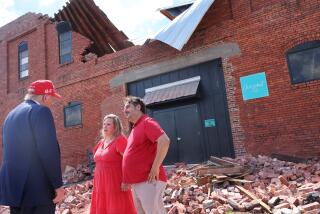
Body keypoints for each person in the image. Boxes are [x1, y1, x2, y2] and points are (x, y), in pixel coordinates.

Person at [0, 80, 65, 214]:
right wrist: (58, 185)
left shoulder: (10, 116)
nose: (51, 102)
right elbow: (48, 151)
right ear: (45, 97)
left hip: (15, 192)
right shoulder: (41, 111)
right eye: (51, 98)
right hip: (38, 191)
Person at [122, 96, 170, 214]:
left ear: (138, 107)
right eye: (124, 108)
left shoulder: (146, 122)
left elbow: (164, 141)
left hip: (149, 180)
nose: (125, 110)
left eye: (128, 106)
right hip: (138, 182)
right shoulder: (135, 128)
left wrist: (155, 168)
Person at [90, 114, 136, 214]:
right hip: (100, 183)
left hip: (115, 182)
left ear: (116, 127)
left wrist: (127, 180)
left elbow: (129, 161)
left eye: (108, 124)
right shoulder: (101, 142)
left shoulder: (120, 140)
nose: (105, 126)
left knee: (116, 208)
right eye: (104, 124)